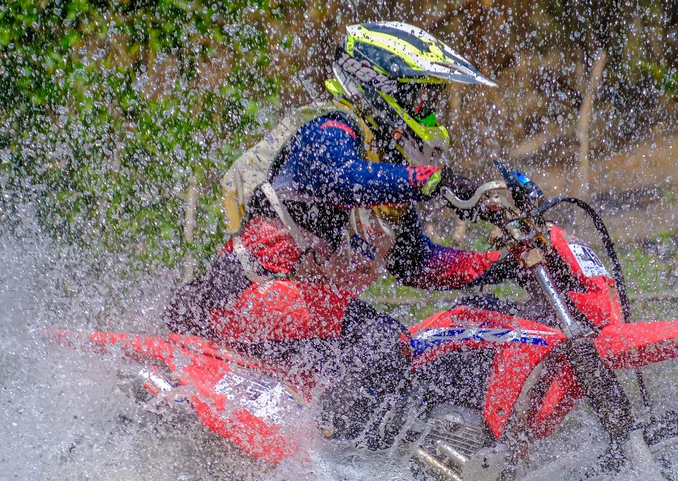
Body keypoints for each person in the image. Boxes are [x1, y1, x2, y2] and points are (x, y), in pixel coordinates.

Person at [164, 21, 517, 449]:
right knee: (383, 343)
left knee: (429, 350)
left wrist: (506, 263)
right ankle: (350, 467)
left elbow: (418, 264)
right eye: (422, 100)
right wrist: (432, 180)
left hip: (294, 315)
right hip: (241, 298)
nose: (430, 115)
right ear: (383, 88)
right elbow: (340, 176)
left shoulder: (382, 171)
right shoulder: (330, 128)